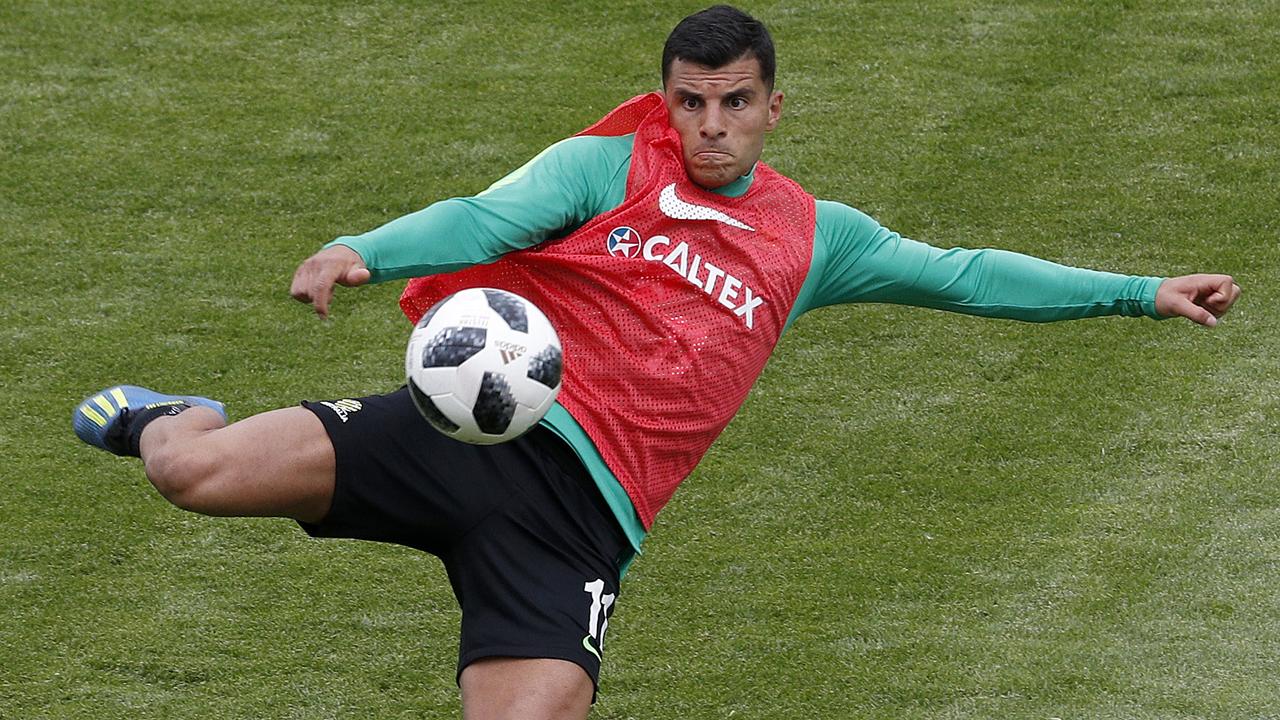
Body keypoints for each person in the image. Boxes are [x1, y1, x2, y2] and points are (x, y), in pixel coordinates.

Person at [72, 5, 1240, 719]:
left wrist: (1137, 294)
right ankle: (170, 413)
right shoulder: (606, 169)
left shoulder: (813, 237)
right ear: (667, 100)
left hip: (576, 526)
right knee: (191, 476)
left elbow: (967, 274)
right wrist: (358, 252)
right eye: (690, 103)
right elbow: (482, 220)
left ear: (774, 108)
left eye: (734, 103)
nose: (709, 126)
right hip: (456, 436)